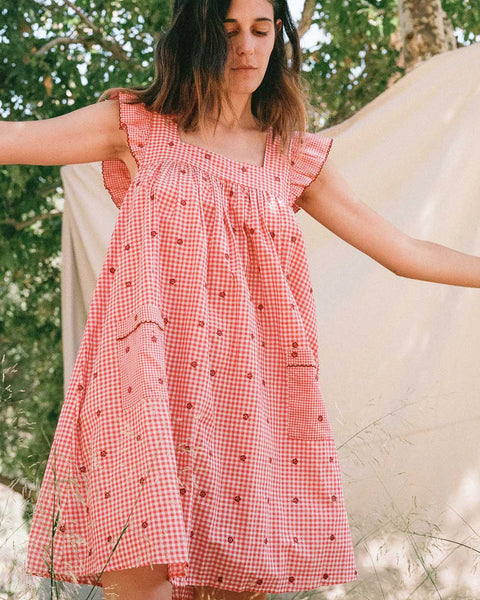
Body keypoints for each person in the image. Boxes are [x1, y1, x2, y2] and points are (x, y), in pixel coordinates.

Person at [2, 0, 480, 599]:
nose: (247, 49)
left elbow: (402, 250)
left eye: (261, 30)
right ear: (197, 36)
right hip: (147, 383)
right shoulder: (137, 126)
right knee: (139, 582)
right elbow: (12, 138)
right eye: (228, 31)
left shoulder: (291, 156)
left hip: (248, 399)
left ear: (278, 36)